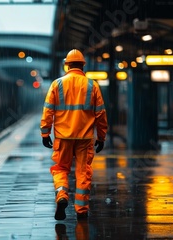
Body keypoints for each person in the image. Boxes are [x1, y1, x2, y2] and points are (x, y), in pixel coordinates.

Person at [40, 49, 108, 220]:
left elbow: (48, 111)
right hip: (84, 138)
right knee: (83, 173)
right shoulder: (92, 85)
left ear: (67, 65)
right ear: (83, 66)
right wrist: (101, 137)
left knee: (61, 169)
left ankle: (62, 195)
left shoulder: (57, 84)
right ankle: (82, 210)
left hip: (63, 137)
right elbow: (100, 114)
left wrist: (45, 133)